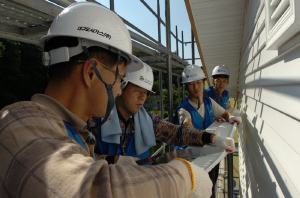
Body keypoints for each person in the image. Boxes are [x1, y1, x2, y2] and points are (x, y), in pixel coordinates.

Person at [0, 2, 214, 197]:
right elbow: (92, 188)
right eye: (120, 80)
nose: (120, 91)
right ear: (91, 73)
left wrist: (208, 138)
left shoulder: (71, 130)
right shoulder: (17, 125)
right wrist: (183, 176)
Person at [88, 62, 235, 162]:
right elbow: (82, 157)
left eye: (146, 93)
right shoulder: (97, 121)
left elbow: (177, 133)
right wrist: (113, 161)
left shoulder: (147, 121)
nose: (142, 98)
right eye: (137, 91)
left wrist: (211, 138)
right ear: (121, 88)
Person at [176, 65, 241, 198]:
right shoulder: (184, 109)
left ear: (203, 82)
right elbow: (188, 127)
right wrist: (214, 138)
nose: (196, 87)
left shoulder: (208, 101)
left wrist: (232, 117)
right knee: (198, 191)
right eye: (191, 84)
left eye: (199, 82)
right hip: (192, 158)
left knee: (212, 184)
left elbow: (224, 113)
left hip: (211, 152)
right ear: (186, 87)